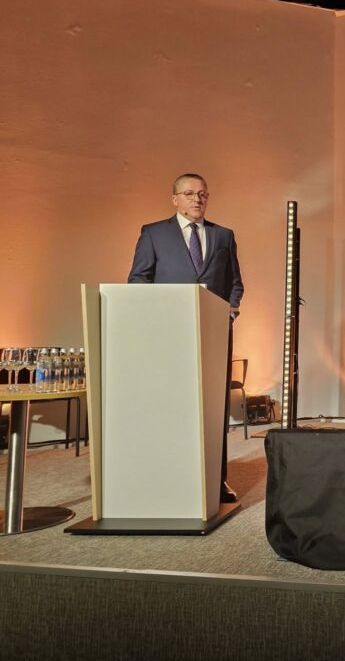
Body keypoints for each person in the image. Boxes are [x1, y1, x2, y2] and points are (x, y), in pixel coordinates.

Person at [127, 173, 244, 503]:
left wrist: (231, 310)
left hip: (214, 335)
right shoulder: (154, 233)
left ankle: (217, 480)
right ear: (174, 199)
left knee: (214, 408)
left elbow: (235, 282)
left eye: (203, 194)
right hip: (169, 337)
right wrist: (157, 316)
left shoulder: (223, 235)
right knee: (171, 406)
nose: (197, 199)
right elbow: (138, 279)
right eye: (190, 194)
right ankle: (170, 476)